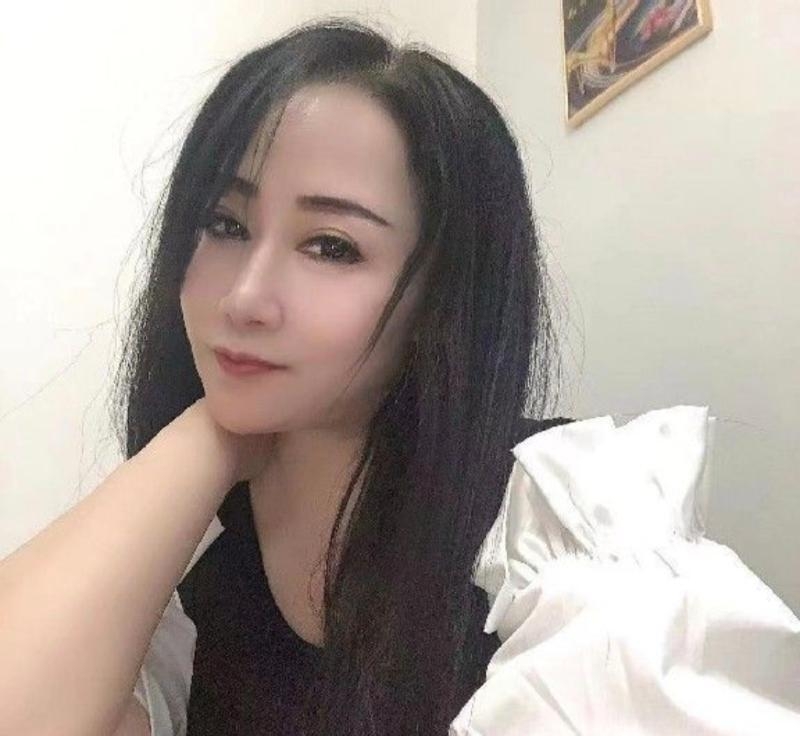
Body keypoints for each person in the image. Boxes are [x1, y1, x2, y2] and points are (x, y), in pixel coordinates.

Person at [1, 16, 798, 736]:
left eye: (331, 246)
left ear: (440, 295)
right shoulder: (197, 556)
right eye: (225, 223)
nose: (243, 297)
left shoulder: (569, 529)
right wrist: (207, 437)